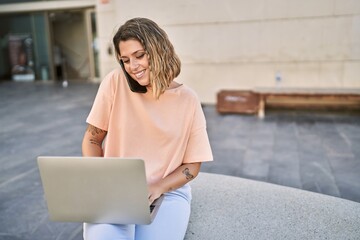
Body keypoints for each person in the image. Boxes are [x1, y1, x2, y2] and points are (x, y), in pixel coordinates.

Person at [81, 17, 213, 240]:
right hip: (116, 191)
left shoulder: (188, 100)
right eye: (125, 60)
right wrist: (101, 181)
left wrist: (159, 187)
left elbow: (192, 165)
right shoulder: (115, 82)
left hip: (167, 194)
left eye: (139, 55)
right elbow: (92, 140)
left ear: (159, 49)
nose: (133, 67)